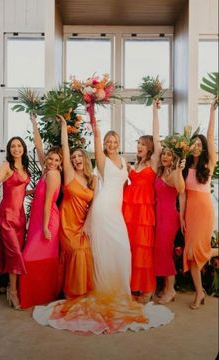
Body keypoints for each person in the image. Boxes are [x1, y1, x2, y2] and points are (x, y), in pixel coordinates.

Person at [32, 121, 174, 334]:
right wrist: (94, 124)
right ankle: (102, 289)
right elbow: (97, 148)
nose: (111, 143)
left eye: (114, 141)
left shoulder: (125, 162)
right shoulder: (102, 160)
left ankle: (120, 292)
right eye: (108, 141)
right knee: (103, 252)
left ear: (118, 143)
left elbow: (135, 181)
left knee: (122, 251)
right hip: (102, 209)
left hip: (115, 211)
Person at [19, 113, 62, 309]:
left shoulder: (53, 174)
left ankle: (40, 296)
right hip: (38, 219)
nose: (51, 162)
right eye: (50, 159)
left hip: (47, 219)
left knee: (29, 257)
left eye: (55, 160)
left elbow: (47, 203)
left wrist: (45, 227)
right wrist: (34, 123)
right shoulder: (47, 170)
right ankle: (38, 296)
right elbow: (38, 146)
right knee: (33, 257)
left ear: (60, 163)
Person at [0, 137, 30, 310]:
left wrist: (40, 190)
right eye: (13, 146)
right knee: (15, 253)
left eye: (19, 146)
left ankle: (11, 286)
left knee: (15, 252)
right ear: (9, 150)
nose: (16, 149)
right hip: (7, 216)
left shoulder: (24, 168)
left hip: (20, 217)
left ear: (23, 149)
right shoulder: (6, 166)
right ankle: (13, 292)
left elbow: (21, 190)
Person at [122, 100, 162, 303]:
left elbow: (157, 137)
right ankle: (131, 286)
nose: (138, 146)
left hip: (144, 211)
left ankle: (146, 288)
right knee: (130, 247)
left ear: (150, 148)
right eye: (138, 143)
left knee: (143, 248)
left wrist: (154, 111)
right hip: (129, 211)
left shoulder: (153, 162)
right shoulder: (134, 164)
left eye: (142, 144)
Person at [180, 102, 218, 309]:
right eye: (193, 144)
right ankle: (199, 292)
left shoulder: (209, 163)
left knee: (197, 251)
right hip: (190, 212)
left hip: (204, 210)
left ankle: (199, 293)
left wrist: (212, 112)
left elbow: (211, 137)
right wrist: (181, 217)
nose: (197, 147)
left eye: (199, 144)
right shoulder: (185, 167)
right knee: (193, 253)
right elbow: (183, 196)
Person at [56, 114, 95, 298]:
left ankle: (83, 290)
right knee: (75, 252)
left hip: (83, 222)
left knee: (85, 250)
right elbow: (65, 147)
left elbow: (94, 206)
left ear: (84, 158)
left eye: (79, 155)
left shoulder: (91, 179)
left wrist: (87, 224)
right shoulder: (69, 174)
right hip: (67, 223)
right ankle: (72, 292)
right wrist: (64, 126)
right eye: (73, 157)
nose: (76, 158)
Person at [154, 148, 186, 304]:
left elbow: (181, 189)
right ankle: (166, 288)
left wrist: (179, 171)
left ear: (174, 159)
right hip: (158, 217)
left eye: (169, 155)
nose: (165, 156)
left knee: (165, 253)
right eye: (163, 153)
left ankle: (171, 290)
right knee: (161, 252)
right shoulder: (161, 172)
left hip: (168, 218)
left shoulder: (174, 174)